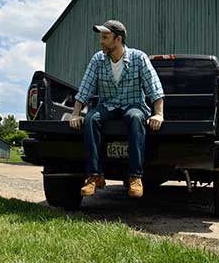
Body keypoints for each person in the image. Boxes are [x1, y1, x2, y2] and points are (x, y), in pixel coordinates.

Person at [69, 20, 164, 198]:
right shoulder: (98, 59)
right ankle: (95, 176)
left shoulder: (138, 57)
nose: (101, 41)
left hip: (133, 104)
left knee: (136, 118)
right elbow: (85, 88)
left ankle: (135, 178)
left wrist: (158, 114)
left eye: (105, 37)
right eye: (101, 37)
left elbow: (154, 87)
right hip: (108, 105)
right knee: (91, 119)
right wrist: (75, 114)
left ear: (118, 39)